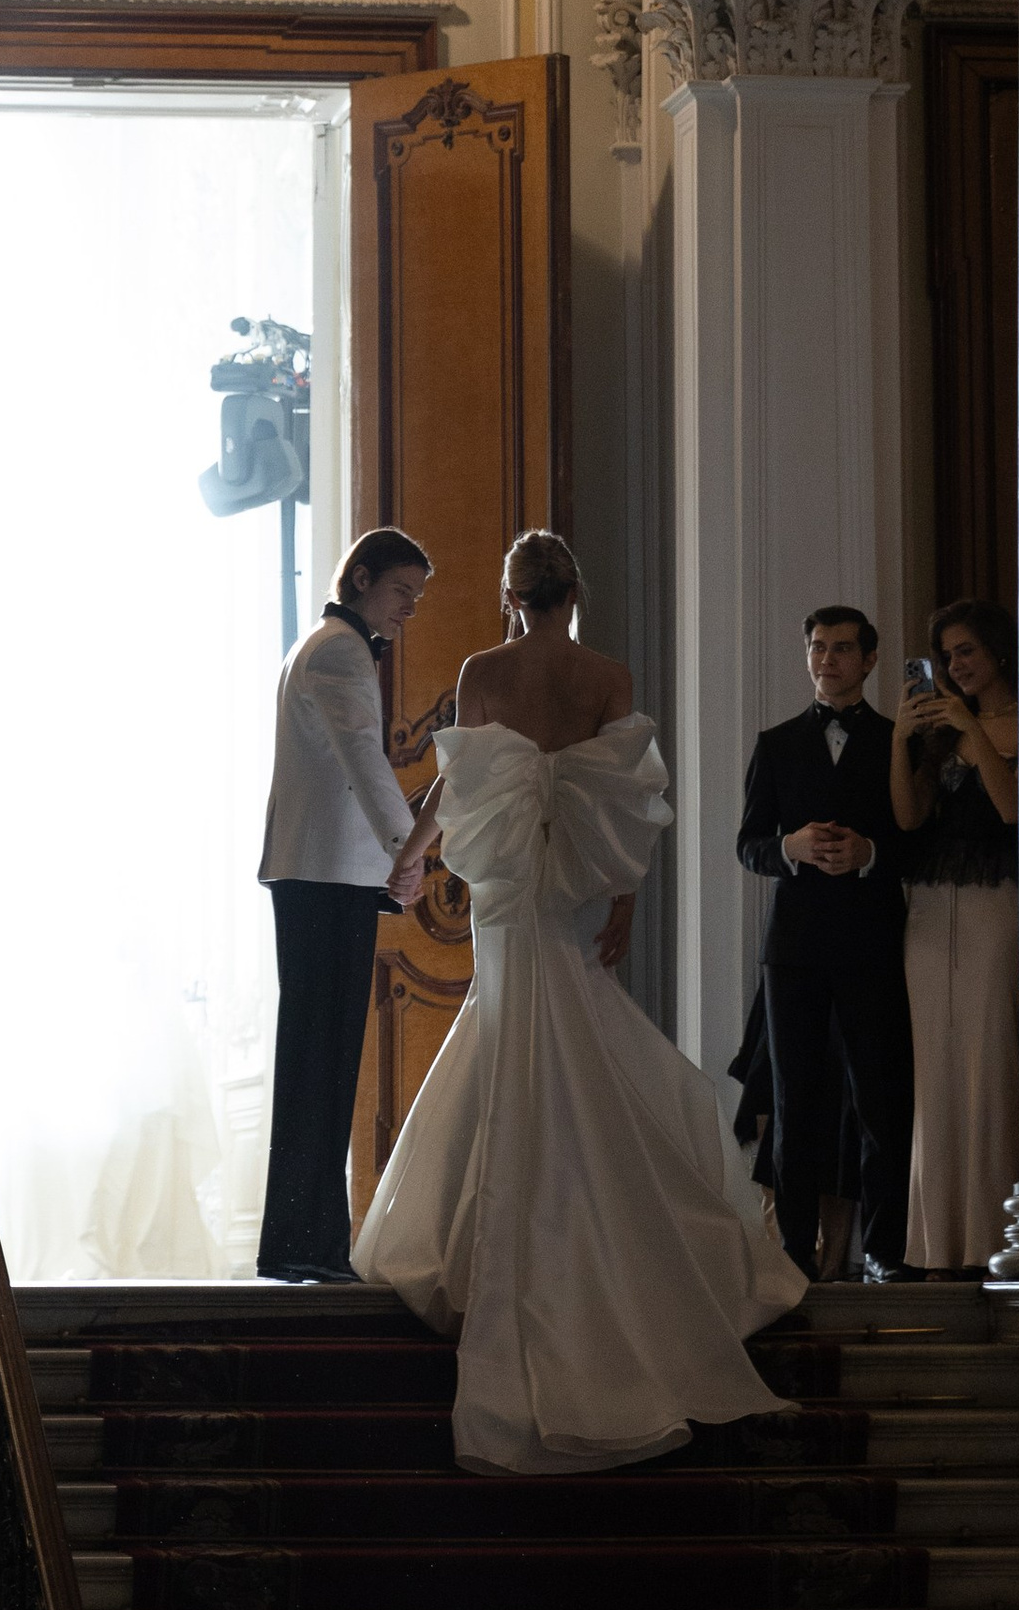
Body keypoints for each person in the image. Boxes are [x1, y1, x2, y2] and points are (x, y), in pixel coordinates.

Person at [355, 533, 802, 1473]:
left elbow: (458, 779)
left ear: (512, 594)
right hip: (572, 892)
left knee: (514, 1039)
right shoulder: (608, 673)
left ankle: (502, 1254)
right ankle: (620, 1250)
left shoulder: (484, 669)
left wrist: (412, 853)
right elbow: (627, 803)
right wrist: (627, 901)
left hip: (509, 897)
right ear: (575, 592)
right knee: (580, 1044)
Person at [254, 527, 438, 1284]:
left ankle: (309, 1242)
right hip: (325, 877)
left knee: (321, 1063)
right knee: (319, 1064)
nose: (409, 612)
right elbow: (364, 751)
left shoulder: (327, 645)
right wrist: (410, 848)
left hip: (323, 875)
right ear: (361, 578)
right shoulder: (337, 649)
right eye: (401, 593)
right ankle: (305, 1244)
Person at [737, 605, 914, 1281]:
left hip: (872, 940)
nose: (827, 660)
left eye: (842, 649)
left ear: (869, 660)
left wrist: (869, 852)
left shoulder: (899, 741)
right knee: (794, 1101)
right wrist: (791, 847)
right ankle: (792, 1253)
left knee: (881, 1099)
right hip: (795, 947)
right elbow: (748, 844)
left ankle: (884, 1249)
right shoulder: (776, 743)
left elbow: (916, 841)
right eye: (817, 648)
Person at [890, 600, 1019, 1277]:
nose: (955, 664)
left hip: (999, 905)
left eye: (966, 650)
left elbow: (1011, 809)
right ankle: (937, 1241)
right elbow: (909, 820)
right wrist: (902, 739)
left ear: (997, 649)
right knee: (936, 1069)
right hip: (931, 911)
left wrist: (972, 730)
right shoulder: (941, 734)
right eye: (946, 655)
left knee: (988, 1062)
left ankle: (997, 1235)